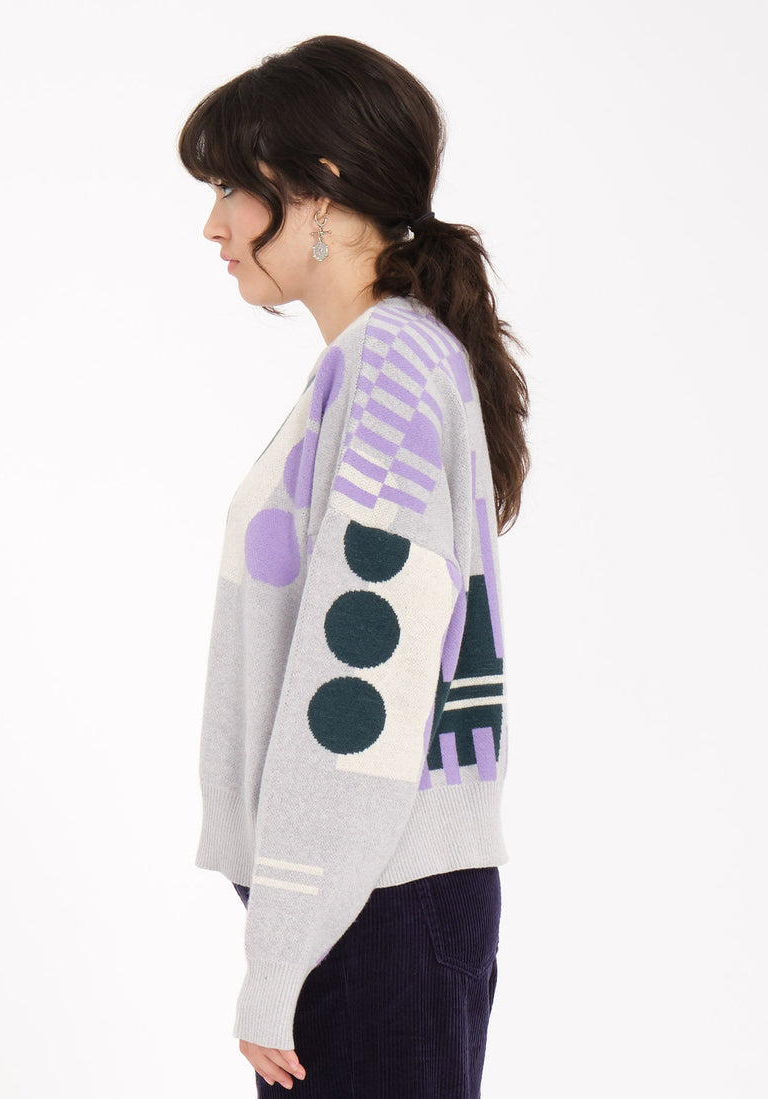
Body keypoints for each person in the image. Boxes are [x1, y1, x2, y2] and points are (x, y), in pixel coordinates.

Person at [177, 34, 530, 1097]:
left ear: (318, 191)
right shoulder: (387, 361)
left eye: (232, 188)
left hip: (369, 907)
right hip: (371, 896)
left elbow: (359, 687)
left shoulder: (387, 370)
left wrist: (282, 953)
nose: (213, 225)